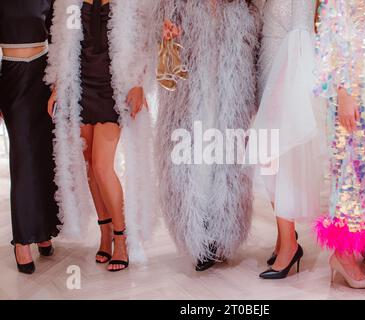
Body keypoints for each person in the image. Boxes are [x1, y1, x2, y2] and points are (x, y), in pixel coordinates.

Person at [46, 0, 155, 271]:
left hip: (113, 89)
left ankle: (122, 237)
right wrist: (58, 86)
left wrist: (140, 84)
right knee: (91, 170)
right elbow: (61, 43)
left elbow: (146, 41)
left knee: (102, 166)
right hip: (81, 89)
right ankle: (104, 233)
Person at [151, 0, 260, 271]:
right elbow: (164, 54)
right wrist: (166, 36)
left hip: (230, 98)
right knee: (194, 166)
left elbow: (254, 53)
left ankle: (220, 236)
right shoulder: (176, 4)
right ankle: (198, 236)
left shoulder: (243, 8)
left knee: (225, 167)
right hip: (190, 100)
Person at [314, 0, 365, 289]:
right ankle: (343, 253)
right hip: (352, 82)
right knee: (348, 169)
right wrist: (344, 89)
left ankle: (361, 240)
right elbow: (333, 28)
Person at [253, 0, 326, 280]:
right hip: (267, 61)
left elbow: (301, 24)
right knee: (268, 156)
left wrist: (285, 81)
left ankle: (289, 244)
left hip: (286, 67)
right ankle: (285, 237)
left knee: (277, 155)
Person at [0, 0, 60, 274]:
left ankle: (43, 229)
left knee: (44, 155)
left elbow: (58, 36)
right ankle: (22, 240)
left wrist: (59, 81)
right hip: (12, 78)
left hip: (43, 76)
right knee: (23, 158)